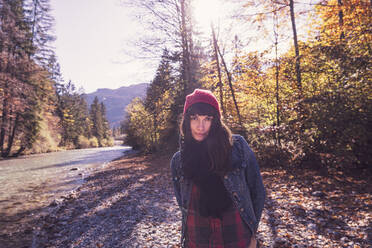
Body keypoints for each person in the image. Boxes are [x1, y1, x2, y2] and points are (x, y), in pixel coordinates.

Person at [170, 89, 266, 248]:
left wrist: (253, 234)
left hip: (237, 237)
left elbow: (257, 191)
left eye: (207, 118)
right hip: (198, 240)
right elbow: (183, 204)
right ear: (186, 121)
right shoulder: (178, 161)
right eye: (194, 118)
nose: (200, 126)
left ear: (215, 121)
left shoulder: (237, 148)